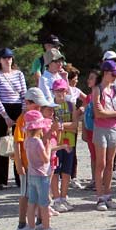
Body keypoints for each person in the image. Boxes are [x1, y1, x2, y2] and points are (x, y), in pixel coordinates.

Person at [12, 87, 55, 230]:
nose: (38, 108)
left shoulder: (37, 118)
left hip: (35, 164)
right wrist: (18, 164)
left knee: (35, 196)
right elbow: (17, 142)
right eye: (35, 105)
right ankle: (22, 224)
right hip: (27, 164)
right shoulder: (22, 119)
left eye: (39, 106)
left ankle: (38, 222)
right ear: (27, 103)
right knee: (25, 195)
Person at [0, 47, 27, 190]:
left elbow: (24, 93)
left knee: (19, 143)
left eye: (10, 58)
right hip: (3, 110)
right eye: (5, 58)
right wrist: (4, 115)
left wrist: (23, 113)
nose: (8, 60)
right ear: (0, 60)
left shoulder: (19, 74)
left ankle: (20, 175)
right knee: (1, 144)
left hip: (18, 108)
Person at [92, 60, 116, 211]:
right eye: (113, 75)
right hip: (100, 130)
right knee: (101, 164)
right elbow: (98, 113)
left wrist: (112, 114)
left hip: (113, 130)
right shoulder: (97, 90)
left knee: (110, 164)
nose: (114, 78)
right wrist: (115, 114)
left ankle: (108, 195)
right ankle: (100, 197)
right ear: (105, 73)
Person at [22, 109, 57, 230]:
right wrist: (48, 147)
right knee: (44, 204)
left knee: (32, 203)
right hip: (42, 176)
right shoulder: (38, 142)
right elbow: (46, 159)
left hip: (32, 175)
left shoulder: (28, 141)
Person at [50, 78, 78, 211]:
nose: (60, 93)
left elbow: (75, 125)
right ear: (53, 91)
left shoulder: (71, 105)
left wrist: (61, 125)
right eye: (57, 90)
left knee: (67, 171)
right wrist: (64, 126)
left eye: (62, 90)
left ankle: (64, 197)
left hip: (69, 142)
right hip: (55, 144)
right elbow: (51, 126)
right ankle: (56, 199)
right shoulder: (50, 106)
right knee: (55, 171)